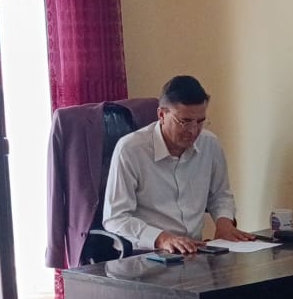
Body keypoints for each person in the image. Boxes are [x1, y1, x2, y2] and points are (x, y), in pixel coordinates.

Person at [103, 75, 257, 254]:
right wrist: (162, 238)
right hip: (145, 253)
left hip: (193, 250)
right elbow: (115, 218)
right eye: (185, 122)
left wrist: (224, 224)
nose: (193, 130)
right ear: (162, 115)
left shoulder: (209, 144)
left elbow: (220, 195)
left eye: (200, 121)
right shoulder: (131, 149)